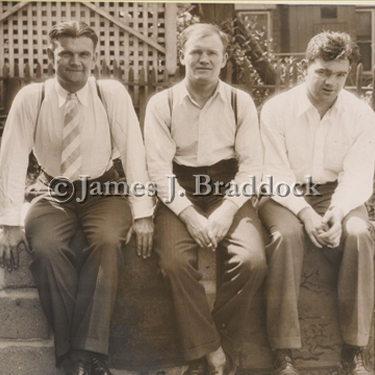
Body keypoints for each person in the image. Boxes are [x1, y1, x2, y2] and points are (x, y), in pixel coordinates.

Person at [0, 21, 154, 375]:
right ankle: (85, 356)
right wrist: (9, 222)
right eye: (66, 53)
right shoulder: (31, 97)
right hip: (53, 191)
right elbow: (12, 158)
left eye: (84, 54)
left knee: (106, 241)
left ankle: (77, 358)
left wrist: (143, 212)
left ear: (95, 57)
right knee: (46, 246)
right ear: (50, 56)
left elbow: (133, 151)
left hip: (103, 190)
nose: (75, 61)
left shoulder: (110, 94)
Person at [144, 23, 266, 375]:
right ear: (182, 56)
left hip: (230, 188)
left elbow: (252, 164)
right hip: (179, 189)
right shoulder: (161, 103)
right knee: (173, 263)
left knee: (252, 261)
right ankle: (213, 351)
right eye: (196, 51)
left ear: (225, 59)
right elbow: (157, 167)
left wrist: (227, 211)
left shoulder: (239, 101)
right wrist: (190, 216)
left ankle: (215, 342)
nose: (204, 59)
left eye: (212, 52)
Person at [259, 31, 375, 375]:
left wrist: (337, 213)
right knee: (286, 237)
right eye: (323, 71)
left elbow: (358, 174)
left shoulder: (360, 114)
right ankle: (284, 353)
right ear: (306, 67)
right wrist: (306, 214)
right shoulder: (277, 109)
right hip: (283, 193)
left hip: (335, 194)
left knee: (358, 233)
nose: (332, 82)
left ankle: (356, 349)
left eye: (340, 74)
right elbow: (272, 172)